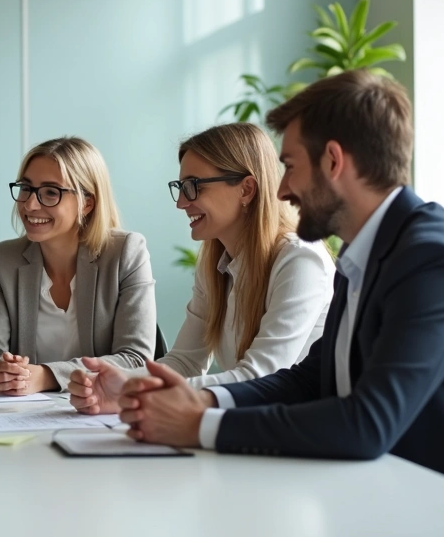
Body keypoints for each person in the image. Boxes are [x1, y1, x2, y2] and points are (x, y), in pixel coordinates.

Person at [115, 70, 444, 509]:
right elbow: (311, 378)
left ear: (334, 161)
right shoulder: (365, 253)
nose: (280, 188)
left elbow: (368, 423)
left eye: (289, 167)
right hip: (394, 487)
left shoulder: (433, 259)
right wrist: (200, 398)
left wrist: (199, 425)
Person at [68, 123, 334, 414]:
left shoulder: (299, 260)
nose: (182, 202)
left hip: (298, 431)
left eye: (194, 187)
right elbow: (185, 362)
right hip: (253, 423)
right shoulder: (215, 264)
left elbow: (260, 378)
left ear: (246, 189)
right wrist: (110, 384)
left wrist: (134, 391)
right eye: (180, 188)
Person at [0, 137, 156, 394]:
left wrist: (46, 376)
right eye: (26, 188)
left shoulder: (126, 253)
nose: (30, 205)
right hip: (23, 416)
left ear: (87, 202)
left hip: (103, 415)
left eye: (51, 192)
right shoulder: (5, 257)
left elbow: (136, 359)